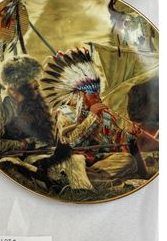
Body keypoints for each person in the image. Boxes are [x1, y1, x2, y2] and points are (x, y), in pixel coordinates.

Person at [41, 48, 140, 180]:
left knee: (128, 160)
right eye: (93, 95)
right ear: (81, 95)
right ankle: (90, 177)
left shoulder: (104, 115)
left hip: (98, 161)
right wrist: (92, 116)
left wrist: (129, 134)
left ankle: (92, 177)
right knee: (75, 162)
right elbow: (71, 142)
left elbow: (113, 141)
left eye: (98, 94)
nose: (98, 98)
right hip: (75, 159)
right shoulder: (65, 112)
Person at [0, 56, 54, 154]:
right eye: (30, 79)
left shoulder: (36, 103)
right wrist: (21, 144)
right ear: (15, 85)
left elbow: (45, 137)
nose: (37, 84)